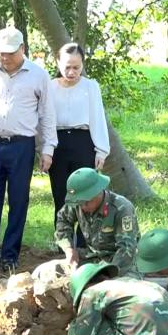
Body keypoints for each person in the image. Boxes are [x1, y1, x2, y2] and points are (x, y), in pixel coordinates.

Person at [0, 28, 57, 276]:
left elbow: (47, 115)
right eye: (0, 53)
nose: (4, 58)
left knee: (18, 201)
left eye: (9, 53)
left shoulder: (38, 76)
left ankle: (10, 255)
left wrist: (47, 149)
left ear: (22, 49)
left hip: (22, 146)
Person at [48, 43, 110, 228]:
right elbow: (45, 120)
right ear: (58, 62)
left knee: (85, 195)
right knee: (60, 194)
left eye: (76, 67)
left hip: (83, 142)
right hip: (58, 143)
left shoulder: (90, 86)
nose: (72, 72)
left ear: (82, 64)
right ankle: (62, 239)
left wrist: (101, 151)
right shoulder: (50, 87)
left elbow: (97, 118)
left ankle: (84, 243)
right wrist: (45, 149)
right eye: (67, 67)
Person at [49, 167, 139, 278]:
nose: (81, 208)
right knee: (51, 271)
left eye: (85, 203)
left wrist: (108, 275)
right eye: (79, 203)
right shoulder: (78, 203)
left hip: (119, 262)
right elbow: (63, 220)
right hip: (92, 257)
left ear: (97, 193)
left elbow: (126, 250)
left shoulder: (122, 208)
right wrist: (69, 249)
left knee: (116, 290)